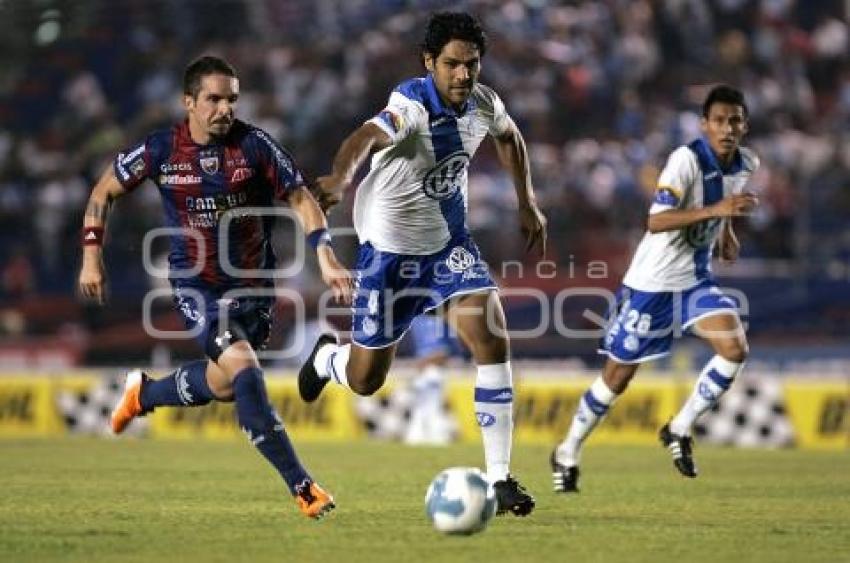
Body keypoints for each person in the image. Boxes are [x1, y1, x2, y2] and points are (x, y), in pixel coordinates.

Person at [77, 55, 353, 519]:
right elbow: (103, 192)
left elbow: (301, 198)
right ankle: (303, 488)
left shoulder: (255, 146)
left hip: (253, 287)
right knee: (244, 371)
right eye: (214, 99)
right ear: (189, 102)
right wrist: (91, 258)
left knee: (225, 386)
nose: (225, 108)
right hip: (195, 283)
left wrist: (324, 256)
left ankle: (144, 394)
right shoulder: (161, 149)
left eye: (231, 99)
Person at [299, 11, 547, 517]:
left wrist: (527, 201)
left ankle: (499, 479)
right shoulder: (409, 104)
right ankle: (329, 358)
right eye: (452, 64)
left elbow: (510, 137)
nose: (463, 75)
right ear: (429, 62)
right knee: (368, 380)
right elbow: (364, 137)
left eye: (472, 64)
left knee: (490, 332)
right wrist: (341, 179)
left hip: (446, 247)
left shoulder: (483, 102)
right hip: (387, 254)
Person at [550, 85, 760, 493]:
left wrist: (725, 231)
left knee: (734, 348)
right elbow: (657, 221)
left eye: (735, 120)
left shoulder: (746, 163)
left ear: (744, 125)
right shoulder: (684, 161)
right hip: (651, 285)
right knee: (616, 378)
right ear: (705, 125)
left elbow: (724, 205)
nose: (728, 128)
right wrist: (718, 212)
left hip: (694, 281)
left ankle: (679, 428)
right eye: (719, 120)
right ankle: (568, 449)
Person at [403, 314, 459, 446]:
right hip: (426, 370)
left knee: (431, 403)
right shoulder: (417, 320)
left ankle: (433, 435)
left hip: (435, 370)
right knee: (424, 405)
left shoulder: (438, 319)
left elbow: (442, 352)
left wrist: (422, 364)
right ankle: (419, 435)